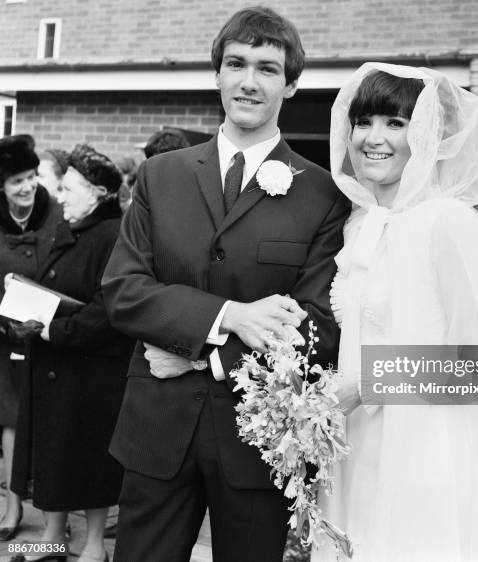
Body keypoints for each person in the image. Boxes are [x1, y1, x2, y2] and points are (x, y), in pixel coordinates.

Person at [101, 7, 349, 562]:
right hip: (156, 431)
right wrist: (230, 316)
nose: (248, 81)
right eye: (235, 63)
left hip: (256, 446)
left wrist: (202, 359)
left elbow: (316, 327)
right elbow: (123, 290)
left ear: (290, 85)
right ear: (217, 74)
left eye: (266, 68)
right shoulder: (160, 176)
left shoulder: (324, 195)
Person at [312, 64, 478, 561]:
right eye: (364, 121)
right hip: (355, 453)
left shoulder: (449, 226)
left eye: (396, 124)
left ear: (426, 136)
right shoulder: (358, 227)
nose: (374, 138)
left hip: (424, 458)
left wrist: (366, 383)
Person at [10, 144, 133, 562]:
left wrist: (52, 330)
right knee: (53, 457)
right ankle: (53, 538)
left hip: (91, 374)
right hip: (55, 368)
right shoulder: (71, 227)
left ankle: (95, 548)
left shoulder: (114, 235)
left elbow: (108, 309)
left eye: (68, 188)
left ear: (97, 193)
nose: (58, 196)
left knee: (88, 460)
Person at [0, 136, 62, 543]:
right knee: (9, 417)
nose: (27, 187)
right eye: (16, 181)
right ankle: (11, 503)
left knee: (53, 421)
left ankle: (54, 520)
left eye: (31, 177)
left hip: (51, 333)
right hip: (5, 336)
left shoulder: (56, 214)